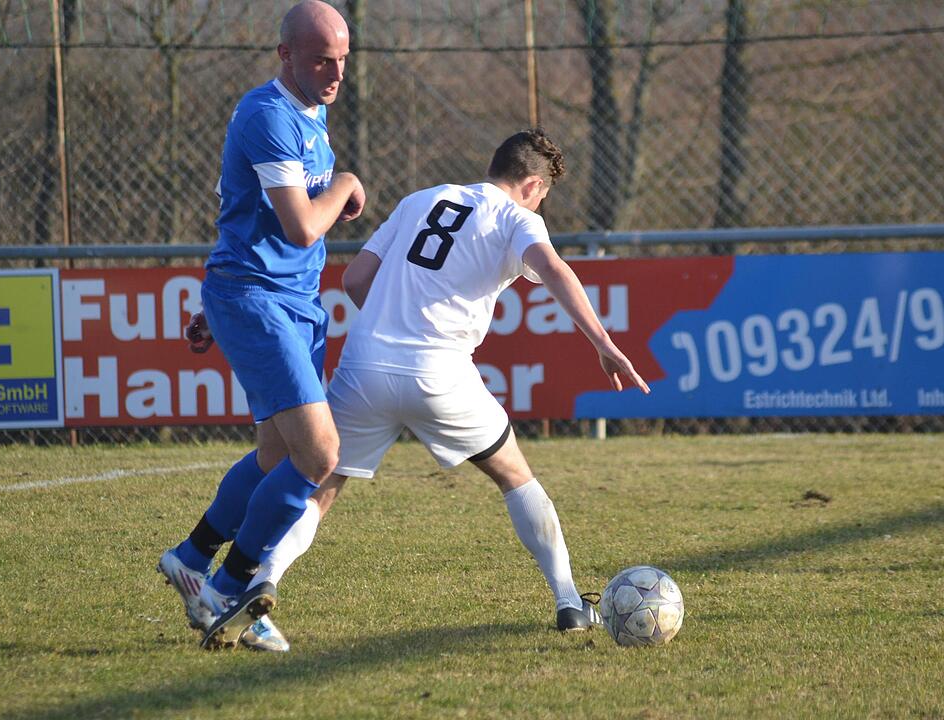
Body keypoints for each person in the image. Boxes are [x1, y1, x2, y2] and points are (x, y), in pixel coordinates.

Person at [218, 127, 652, 645]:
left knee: (321, 487)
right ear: (533, 185)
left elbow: (355, 280)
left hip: (366, 363)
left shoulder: (422, 199)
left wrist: (393, 321)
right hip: (440, 371)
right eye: (545, 196)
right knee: (515, 475)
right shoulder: (518, 218)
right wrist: (602, 342)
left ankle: (264, 577)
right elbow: (554, 269)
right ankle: (568, 602)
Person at [157, 0, 365, 652]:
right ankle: (231, 585)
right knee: (322, 455)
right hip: (258, 301)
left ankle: (193, 558)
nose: (334, 73)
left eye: (341, 60)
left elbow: (253, 219)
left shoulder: (312, 108)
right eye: (320, 60)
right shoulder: (267, 115)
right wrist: (348, 184)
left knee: (278, 456)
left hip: (291, 303)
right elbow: (301, 224)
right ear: (286, 56)